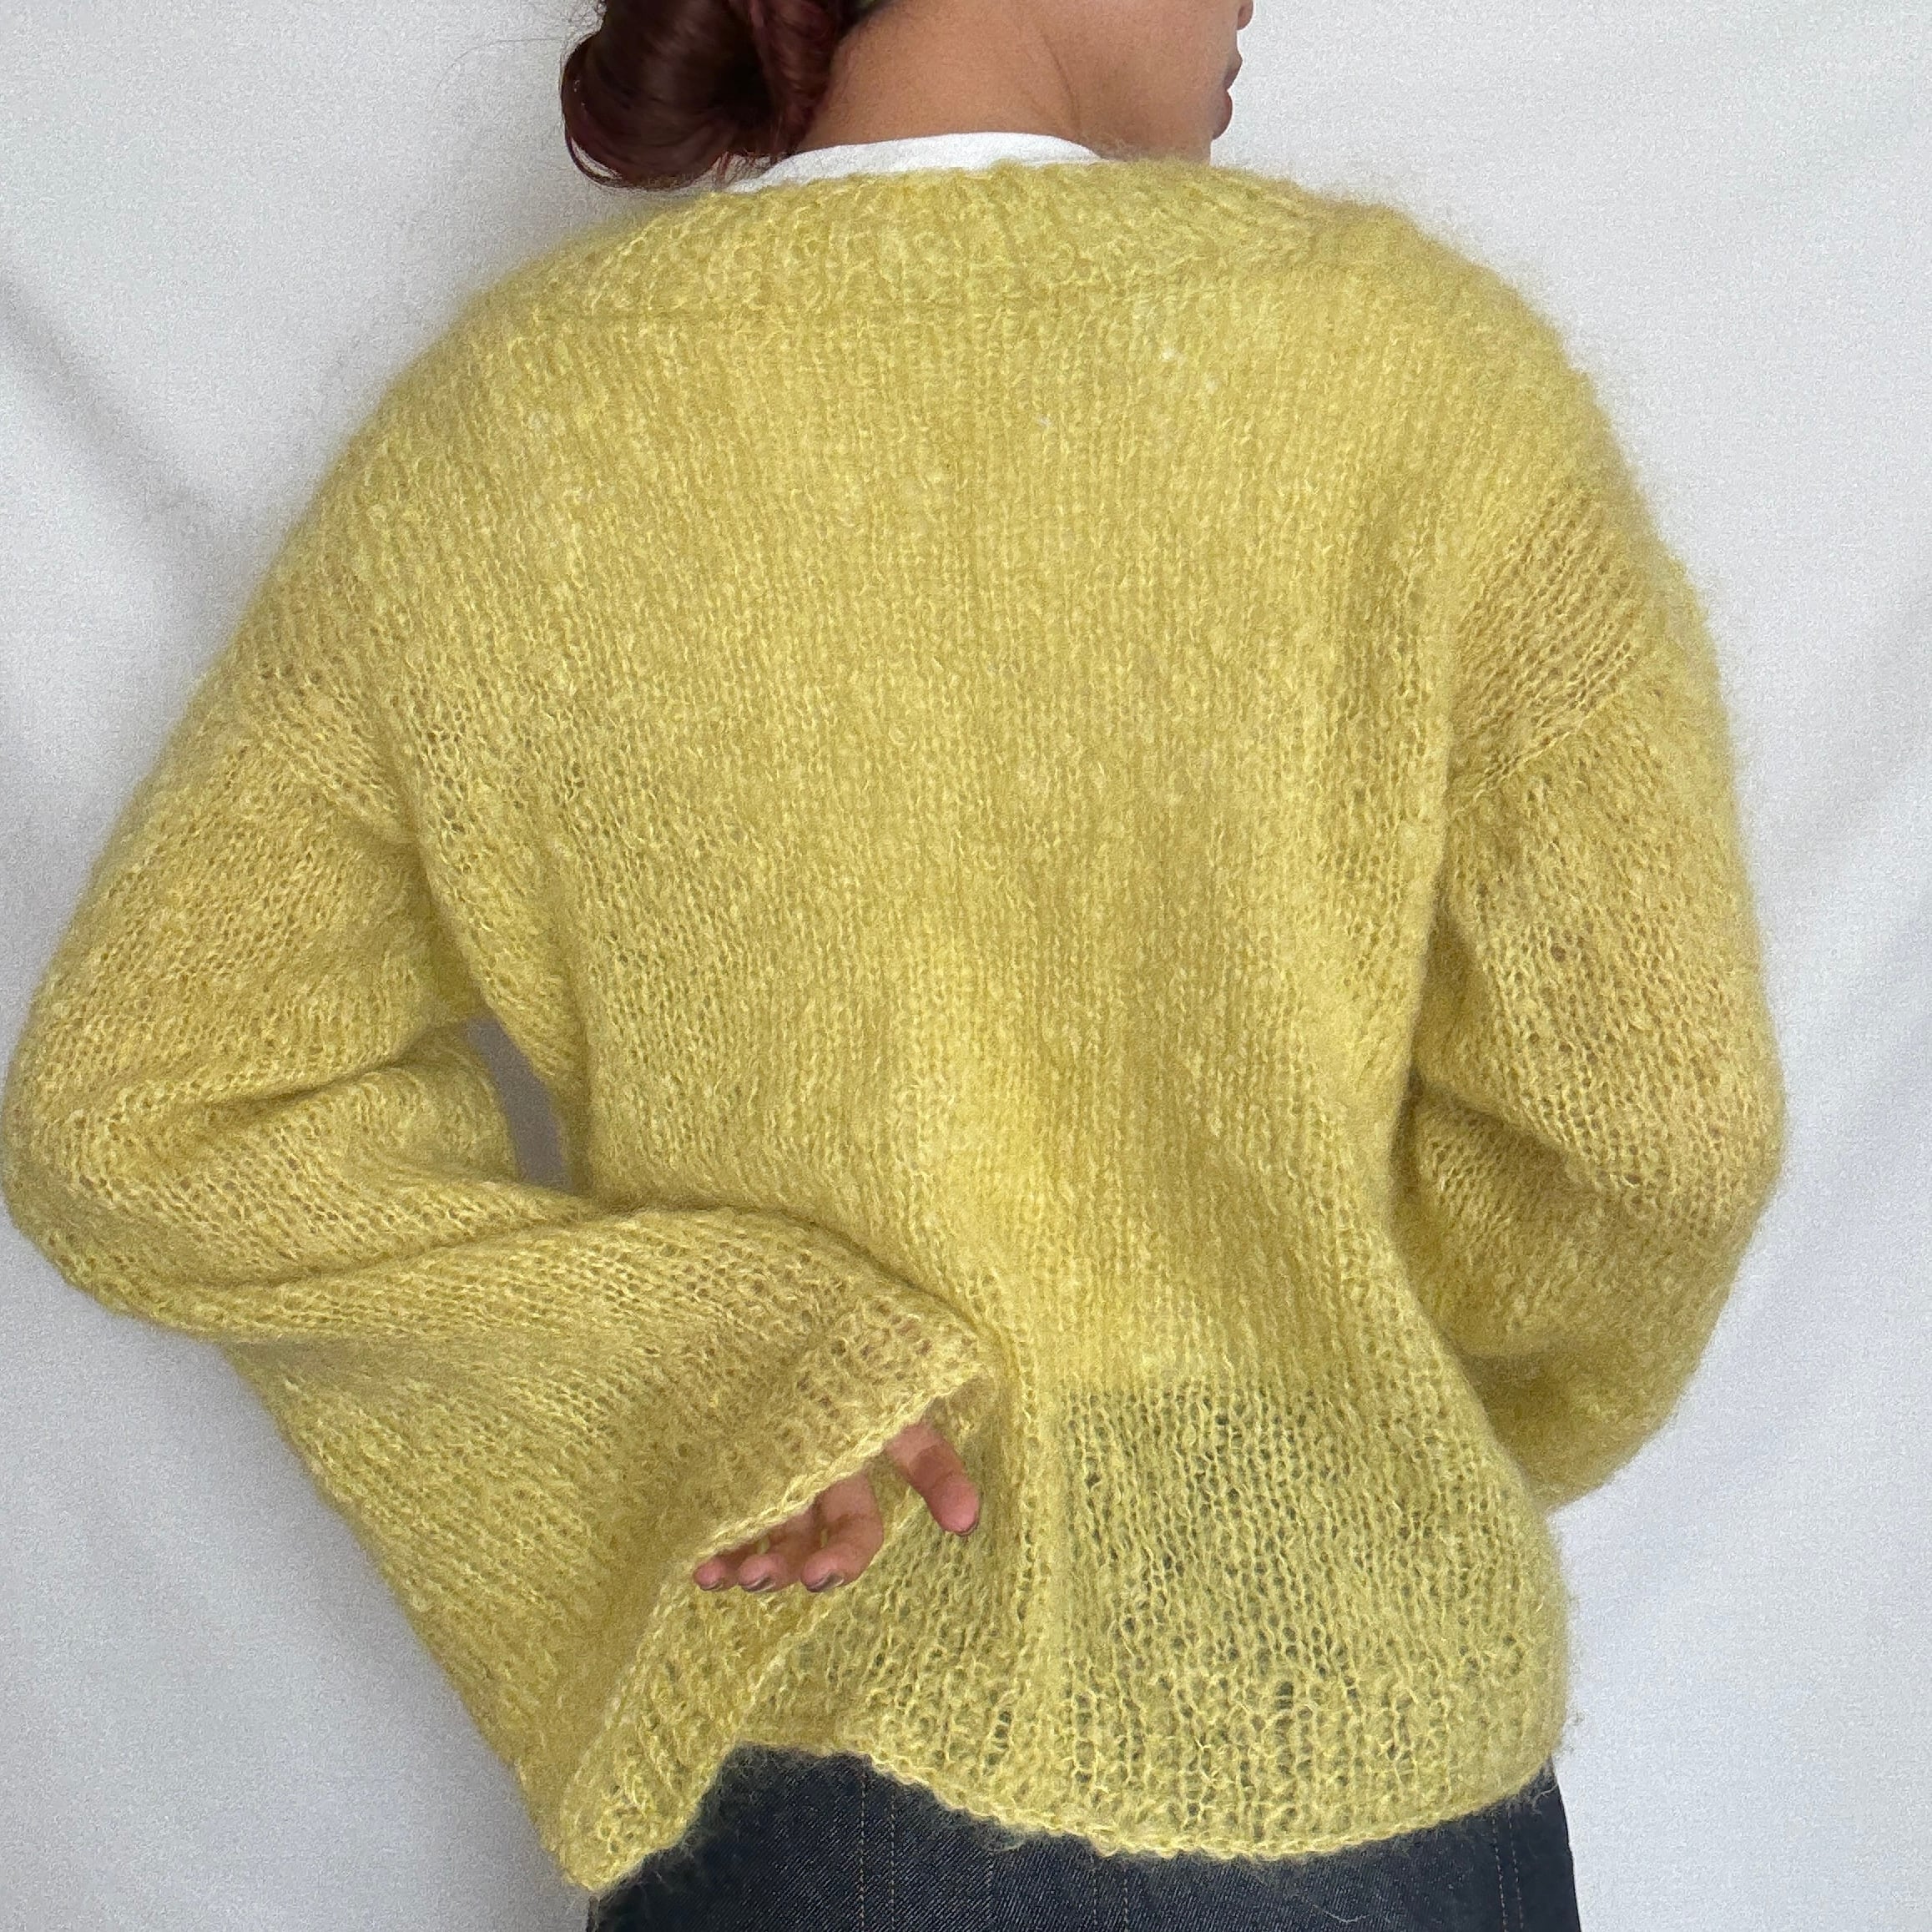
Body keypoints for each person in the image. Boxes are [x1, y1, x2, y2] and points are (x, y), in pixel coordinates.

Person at [0, 0, 1785, 1924]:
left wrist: (717, 1376)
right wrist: (1373, 1432)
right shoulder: (1422, 381)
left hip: (808, 1758)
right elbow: (1660, 1128)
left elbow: (146, 1103)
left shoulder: (513, 435)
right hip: (1368, 1761)